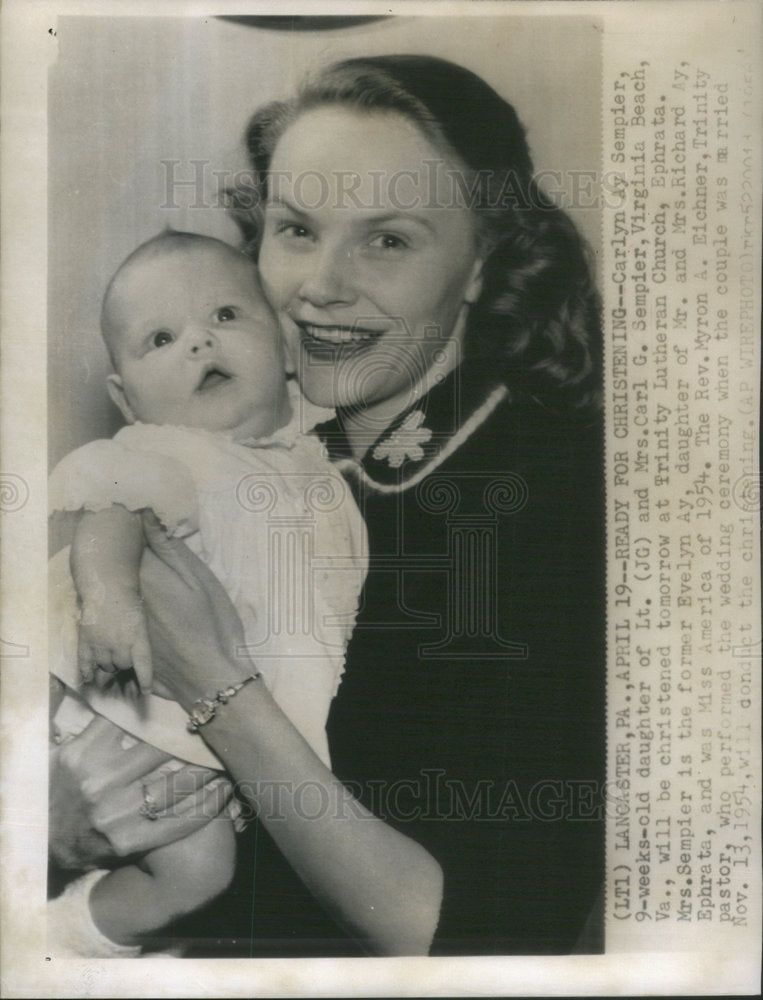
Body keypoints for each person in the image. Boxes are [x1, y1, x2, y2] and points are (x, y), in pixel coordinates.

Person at [49, 54, 605, 957]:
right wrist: (51, 818)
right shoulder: (271, 435)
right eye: (296, 229)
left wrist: (217, 689)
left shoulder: (550, 503)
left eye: (387, 240)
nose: (321, 286)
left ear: (481, 261)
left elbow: (478, 937)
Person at [47, 231, 366, 954]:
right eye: (161, 338)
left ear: (286, 347)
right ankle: (54, 942)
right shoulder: (171, 451)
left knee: (220, 868)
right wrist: (108, 598)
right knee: (191, 866)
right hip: (111, 700)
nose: (198, 343)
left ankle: (85, 946)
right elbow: (111, 507)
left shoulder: (314, 455)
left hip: (222, 729)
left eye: (225, 316)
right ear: (128, 400)